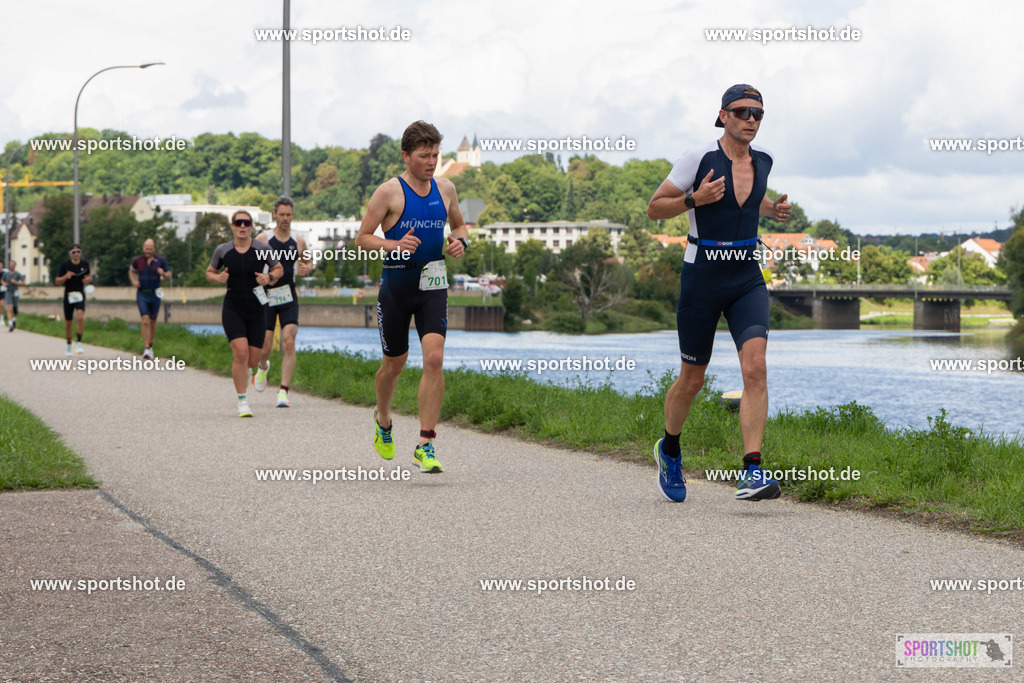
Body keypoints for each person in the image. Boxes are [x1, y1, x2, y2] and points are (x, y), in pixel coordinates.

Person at [646, 84, 792, 503]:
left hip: (746, 276)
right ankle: (669, 449)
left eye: (758, 114)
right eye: (743, 112)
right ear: (723, 115)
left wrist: (772, 210)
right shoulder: (699, 158)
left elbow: (745, 200)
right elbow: (656, 207)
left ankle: (753, 469)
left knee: (756, 367)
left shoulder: (764, 161)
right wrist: (693, 198)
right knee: (693, 379)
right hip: (703, 276)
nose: (751, 120)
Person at [354, 120, 468, 473]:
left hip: (433, 284)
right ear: (406, 156)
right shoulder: (389, 192)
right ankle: (383, 418)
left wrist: (460, 241)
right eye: (424, 155)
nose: (431, 161)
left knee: (434, 359)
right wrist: (394, 244)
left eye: (435, 154)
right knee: (394, 365)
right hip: (396, 287)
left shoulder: (446, 188)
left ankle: (426, 443)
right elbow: (362, 238)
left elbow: (461, 225)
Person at [206, 210, 283, 418]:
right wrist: (218, 278)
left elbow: (279, 269)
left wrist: (269, 277)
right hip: (233, 305)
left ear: (251, 226)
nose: (242, 226)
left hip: (257, 306)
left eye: (246, 223)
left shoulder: (262, 249)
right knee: (240, 353)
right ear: (232, 226)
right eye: (238, 222)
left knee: (252, 359)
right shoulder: (222, 250)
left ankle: (254, 370)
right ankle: (242, 402)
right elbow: (209, 272)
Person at [253, 196, 312, 407]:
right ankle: (262, 367)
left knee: (289, 340)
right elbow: (252, 263)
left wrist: (307, 267)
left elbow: (307, 260)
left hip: (289, 295)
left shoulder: (298, 241)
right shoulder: (263, 238)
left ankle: (283, 392)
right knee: (265, 348)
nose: (285, 219)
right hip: (267, 296)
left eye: (288, 215)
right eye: (281, 215)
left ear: (292, 216)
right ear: (274, 215)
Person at [129, 239, 172, 358]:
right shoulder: (138, 260)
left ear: (154, 248)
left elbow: (168, 276)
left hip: (155, 294)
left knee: (152, 321)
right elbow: (131, 271)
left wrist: (163, 273)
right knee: (145, 320)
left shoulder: (160, 260)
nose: (148, 251)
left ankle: (150, 346)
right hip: (142, 293)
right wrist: (133, 281)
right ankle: (146, 348)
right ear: (143, 247)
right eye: (146, 248)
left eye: (151, 249)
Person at [56, 245, 92, 356]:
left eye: (78, 251)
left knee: (80, 317)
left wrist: (88, 279)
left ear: (80, 253)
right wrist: (65, 277)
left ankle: (79, 343)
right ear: (70, 253)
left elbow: (88, 275)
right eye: (74, 252)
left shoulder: (85, 264)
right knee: (69, 322)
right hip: (69, 295)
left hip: (80, 294)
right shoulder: (65, 265)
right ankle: (68, 344)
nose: (76, 254)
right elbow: (57, 281)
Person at [2, 260, 25, 331]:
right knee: (9, 309)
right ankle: (10, 324)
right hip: (9, 292)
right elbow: (2, 280)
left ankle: (14, 319)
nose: (11, 266)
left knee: (15, 309)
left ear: (15, 266)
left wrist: (16, 282)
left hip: (16, 292)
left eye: (13, 265)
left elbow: (23, 283)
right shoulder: (6, 274)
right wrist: (4, 284)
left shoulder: (17, 274)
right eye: (10, 265)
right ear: (9, 265)